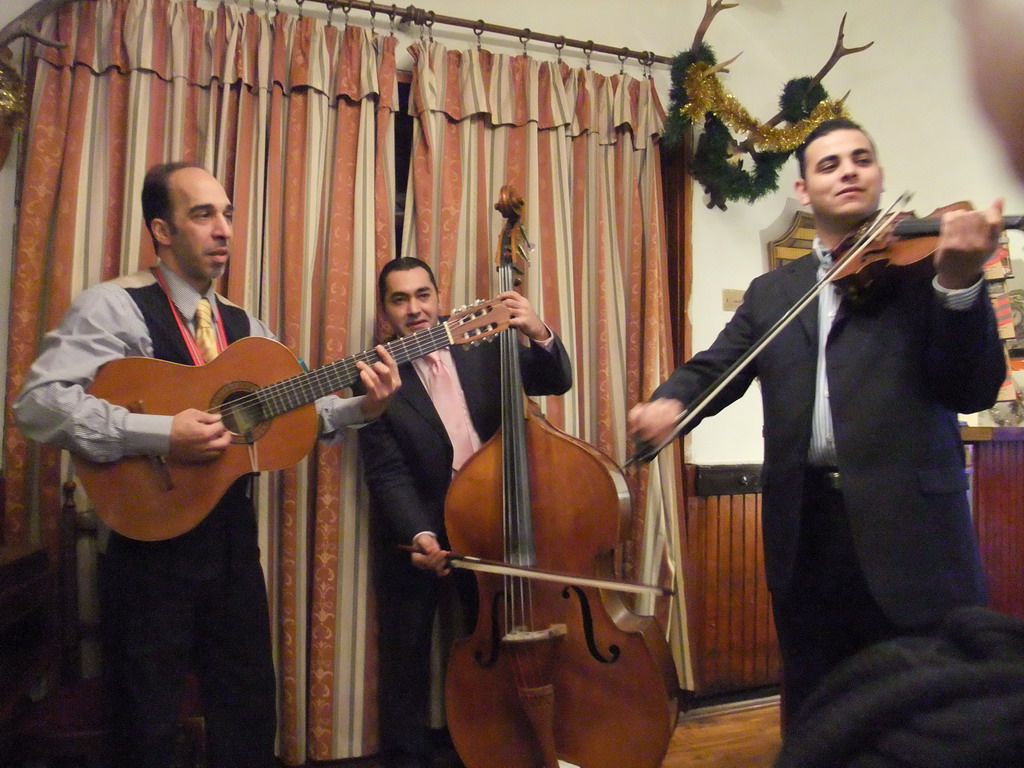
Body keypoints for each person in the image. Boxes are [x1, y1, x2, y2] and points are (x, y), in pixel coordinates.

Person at [13, 162, 400, 768]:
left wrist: (363, 407)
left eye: (227, 215)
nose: (223, 230)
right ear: (162, 230)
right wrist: (162, 433)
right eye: (203, 215)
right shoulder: (112, 306)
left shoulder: (245, 329)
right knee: (147, 720)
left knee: (248, 708)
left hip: (231, 544)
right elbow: (37, 406)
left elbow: (298, 411)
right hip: (148, 548)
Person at [628, 118, 1007, 730]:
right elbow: (716, 368)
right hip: (806, 531)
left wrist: (961, 283)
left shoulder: (924, 272)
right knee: (817, 709)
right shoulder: (773, 293)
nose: (848, 170)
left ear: (879, 176)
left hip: (911, 531)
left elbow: (971, 388)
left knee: (928, 715)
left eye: (861, 158)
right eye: (829, 164)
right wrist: (671, 403)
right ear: (803, 191)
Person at [357, 256, 572, 768]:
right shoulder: (376, 376)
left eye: (422, 295)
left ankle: (495, 749)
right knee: (407, 655)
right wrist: (419, 533)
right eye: (400, 299)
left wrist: (537, 330)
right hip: (425, 531)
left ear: (438, 296)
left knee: (497, 643)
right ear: (385, 311)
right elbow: (387, 471)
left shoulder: (483, 346)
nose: (415, 310)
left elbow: (555, 379)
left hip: (493, 525)